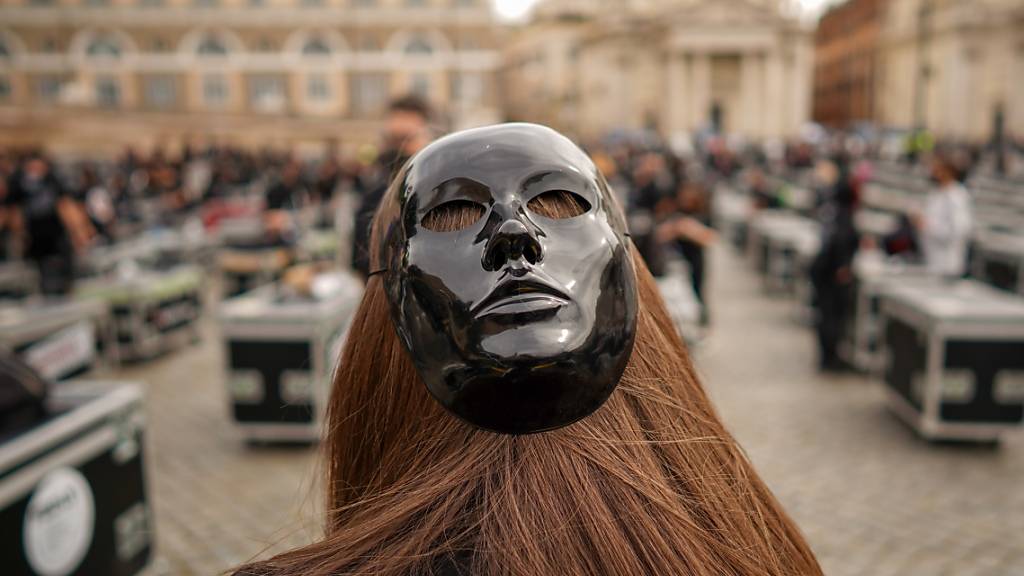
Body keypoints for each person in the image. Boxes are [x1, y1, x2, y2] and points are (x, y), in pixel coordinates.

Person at [234, 124, 821, 576]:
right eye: (447, 217)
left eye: (555, 202)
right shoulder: (759, 553)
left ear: (371, 348)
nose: (514, 235)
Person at [351, 95, 432, 277]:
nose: (397, 149)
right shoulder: (373, 197)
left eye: (405, 139)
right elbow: (361, 260)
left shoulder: (443, 192)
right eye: (392, 139)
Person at [4, 153, 94, 295]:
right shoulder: (18, 182)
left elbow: (65, 205)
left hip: (55, 232)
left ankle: (67, 290)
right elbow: (14, 211)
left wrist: (79, 231)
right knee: (39, 270)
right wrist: (19, 235)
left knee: (65, 265)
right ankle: (46, 293)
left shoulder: (52, 179)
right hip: (35, 234)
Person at [809, 172, 860, 372]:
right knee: (831, 317)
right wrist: (843, 266)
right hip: (830, 273)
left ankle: (827, 356)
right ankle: (830, 358)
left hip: (822, 270)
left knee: (825, 315)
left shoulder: (831, 211)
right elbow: (841, 241)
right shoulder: (844, 215)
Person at [917, 155, 972, 279]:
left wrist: (928, 227)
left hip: (948, 264)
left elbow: (959, 230)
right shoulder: (936, 193)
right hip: (932, 260)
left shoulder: (957, 196)